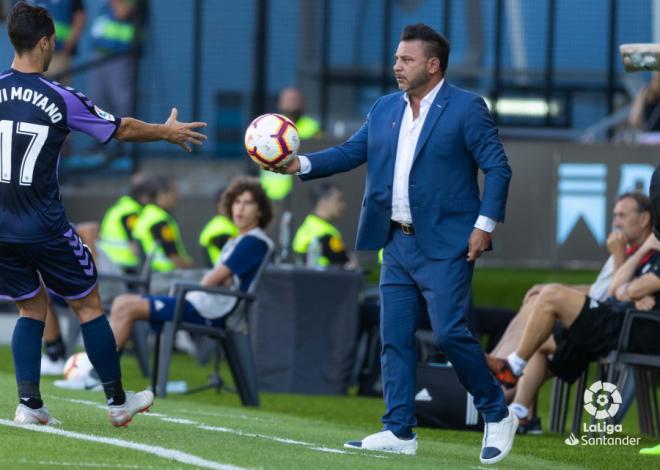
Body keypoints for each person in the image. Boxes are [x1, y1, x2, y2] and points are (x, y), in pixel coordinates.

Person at [265, 23, 515, 464]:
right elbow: (349, 152)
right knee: (394, 336)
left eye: (406, 59)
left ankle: (498, 413)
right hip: (395, 244)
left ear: (433, 65)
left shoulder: (467, 108)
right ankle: (399, 429)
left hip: (447, 244)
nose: (396, 66)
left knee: (450, 333)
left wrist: (485, 225)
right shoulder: (384, 108)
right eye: (397, 58)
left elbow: (498, 168)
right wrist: (298, 163)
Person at [0, 2, 206, 427]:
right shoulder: (57, 96)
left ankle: (30, 405)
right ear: (45, 42)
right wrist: (165, 131)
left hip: (2, 227)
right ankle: (117, 401)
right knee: (90, 305)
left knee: (31, 307)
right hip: (44, 225)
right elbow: (121, 129)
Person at [488, 192, 654, 432]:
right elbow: (604, 290)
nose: (616, 221)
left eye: (622, 215)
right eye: (614, 215)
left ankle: (502, 378)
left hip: (619, 327)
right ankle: (517, 411)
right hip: (602, 320)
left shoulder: (644, 251)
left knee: (547, 305)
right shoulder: (628, 248)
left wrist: (628, 278)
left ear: (644, 218)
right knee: (539, 318)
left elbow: (615, 293)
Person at [108, 177, 272, 351]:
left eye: (248, 203)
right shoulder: (242, 239)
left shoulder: (253, 241)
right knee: (121, 302)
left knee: (125, 306)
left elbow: (210, 281)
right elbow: (220, 278)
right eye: (237, 202)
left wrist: (216, 278)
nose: (240, 208)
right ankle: (98, 371)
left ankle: (100, 374)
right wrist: (219, 277)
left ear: (260, 211)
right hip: (202, 301)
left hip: (209, 309)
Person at [260, 87, 321, 202]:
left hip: (301, 191)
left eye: (295, 100)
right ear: (280, 103)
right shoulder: (269, 124)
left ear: (302, 103)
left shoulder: (313, 127)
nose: (291, 104)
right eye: (288, 100)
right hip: (271, 189)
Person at [131, 176, 193, 272]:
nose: (177, 195)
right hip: (164, 276)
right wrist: (191, 267)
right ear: (162, 195)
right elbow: (174, 258)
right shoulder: (160, 221)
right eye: (173, 191)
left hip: (152, 276)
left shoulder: (148, 214)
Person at [98, 172, 155, 272]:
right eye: (150, 197)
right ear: (144, 196)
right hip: (121, 265)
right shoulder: (130, 212)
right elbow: (134, 245)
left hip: (110, 261)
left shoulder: (123, 206)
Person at [292, 182, 354, 268]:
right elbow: (345, 262)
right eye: (338, 200)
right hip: (323, 279)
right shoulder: (325, 234)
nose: (343, 206)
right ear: (323, 203)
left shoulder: (307, 225)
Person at [27, 0, 85, 83]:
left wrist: (67, 47)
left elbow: (80, 18)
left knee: (57, 91)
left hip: (58, 53)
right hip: (35, 55)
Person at [198, 186, 238, 268]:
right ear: (220, 206)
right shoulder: (219, 227)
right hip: (221, 276)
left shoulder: (227, 224)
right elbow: (238, 254)